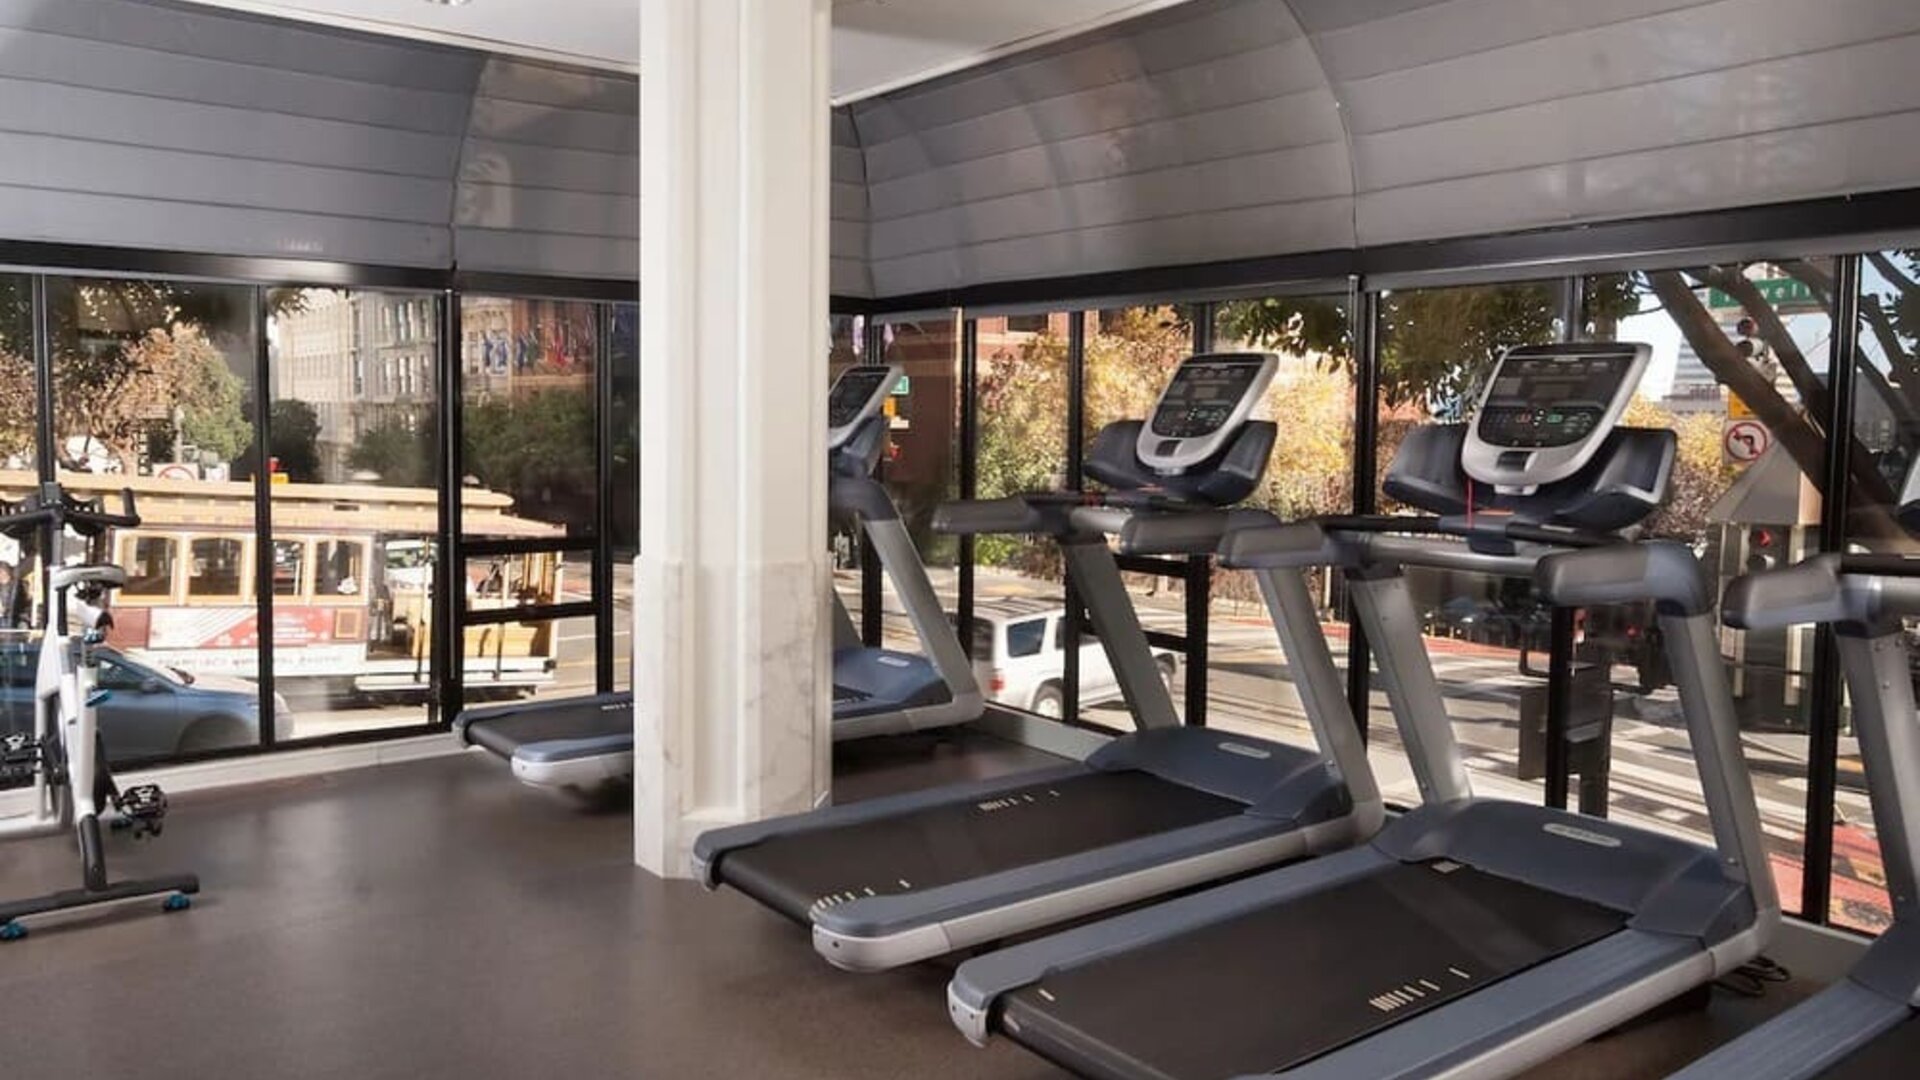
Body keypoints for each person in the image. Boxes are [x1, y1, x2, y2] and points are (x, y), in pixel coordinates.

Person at [0, 561, 29, 630]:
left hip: (14, 618)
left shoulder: (17, 585)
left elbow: (21, 603)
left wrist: (6, 609)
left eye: (1, 572)